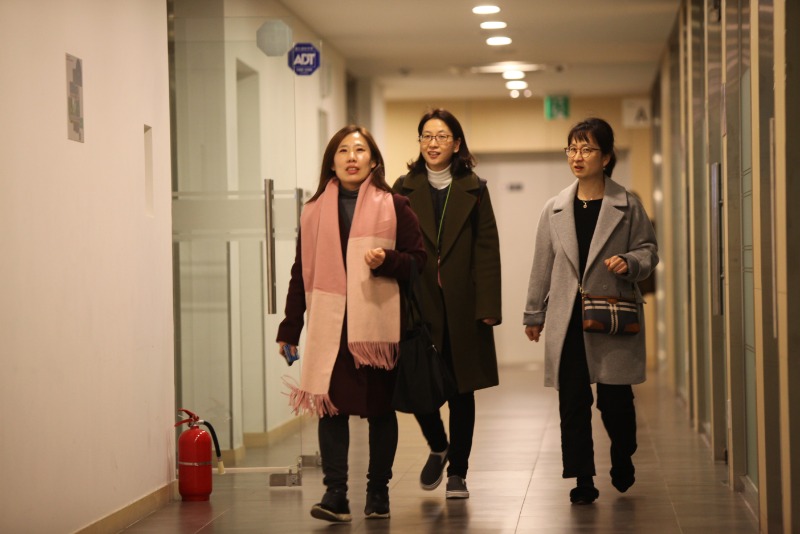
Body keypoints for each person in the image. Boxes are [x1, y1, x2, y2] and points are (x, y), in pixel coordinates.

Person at [277, 125, 426, 523]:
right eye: (343, 150)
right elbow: (300, 272)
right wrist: (289, 328)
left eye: (359, 150)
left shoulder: (396, 206)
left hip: (376, 328)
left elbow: (419, 262)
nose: (351, 157)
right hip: (330, 326)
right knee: (331, 408)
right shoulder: (312, 212)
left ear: (373, 160)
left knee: (380, 411)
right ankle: (335, 494)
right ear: (332, 162)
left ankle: (378, 493)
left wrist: (388, 261)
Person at [522, 117, 658, 505]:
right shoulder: (555, 209)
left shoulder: (627, 205)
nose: (577, 156)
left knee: (616, 403)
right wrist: (534, 314)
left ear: (606, 157)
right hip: (567, 319)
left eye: (587, 149)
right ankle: (582, 478)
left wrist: (630, 262)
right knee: (573, 403)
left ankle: (623, 453)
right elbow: (542, 264)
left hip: (612, 315)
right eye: (572, 148)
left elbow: (649, 251)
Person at [392, 108, 501, 499]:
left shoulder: (475, 188)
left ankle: (458, 472)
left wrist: (487, 306)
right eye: (426, 136)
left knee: (461, 390)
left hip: (461, 305)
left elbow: (487, 248)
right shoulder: (402, 187)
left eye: (441, 137)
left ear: (456, 144)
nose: (432, 143)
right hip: (417, 303)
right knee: (417, 385)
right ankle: (439, 445)